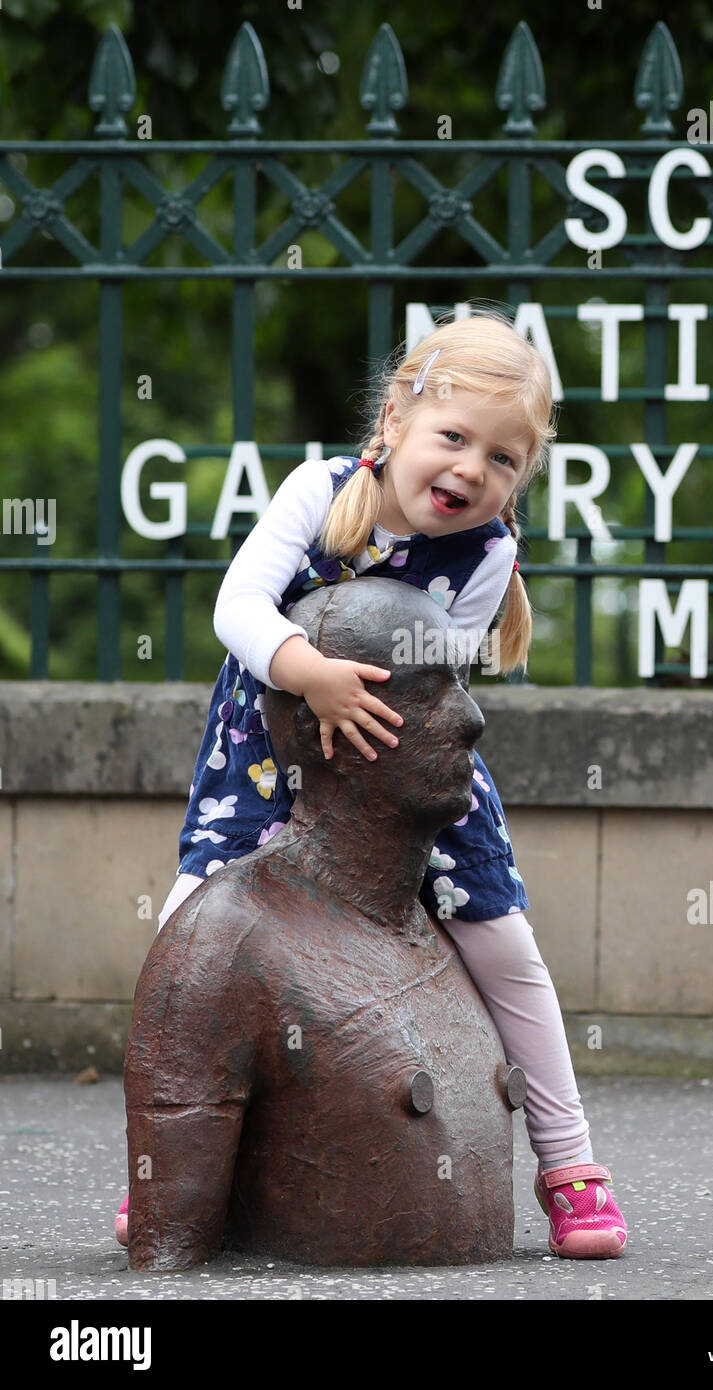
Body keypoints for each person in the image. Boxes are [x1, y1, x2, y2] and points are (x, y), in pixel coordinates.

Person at [115, 309, 627, 1260]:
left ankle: (569, 1164)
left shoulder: (485, 555)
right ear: (392, 421)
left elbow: (443, 691)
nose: (472, 470)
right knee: (193, 927)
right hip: (267, 744)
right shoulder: (320, 491)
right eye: (453, 437)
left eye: (504, 459)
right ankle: (166, 1169)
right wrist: (305, 670)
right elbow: (236, 604)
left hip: (404, 758)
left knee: (504, 942)